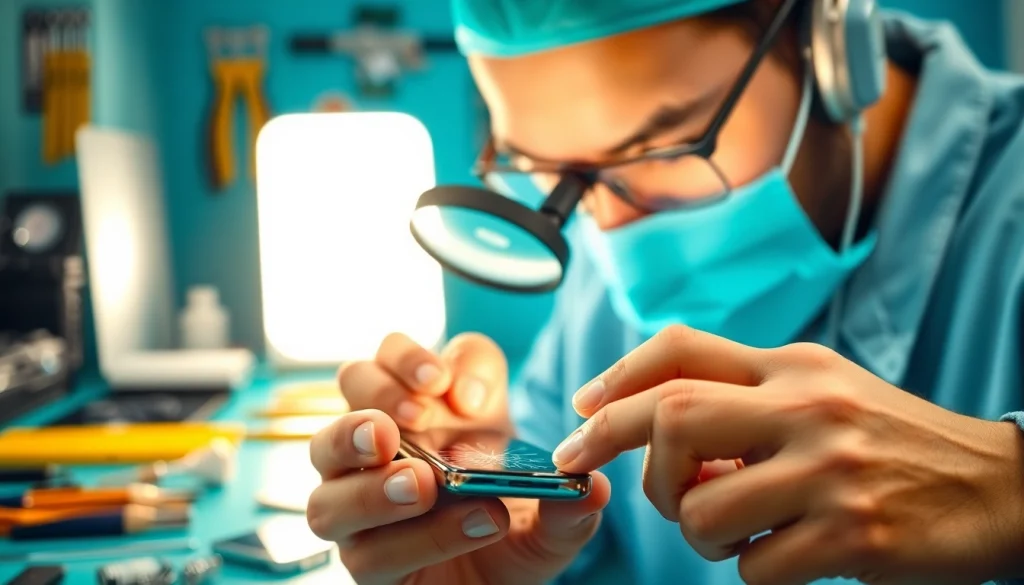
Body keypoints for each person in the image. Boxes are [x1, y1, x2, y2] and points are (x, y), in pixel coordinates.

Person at [305, 0, 1024, 583]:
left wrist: (1008, 493)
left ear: (836, 54)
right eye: (557, 175)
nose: (615, 230)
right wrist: (490, 544)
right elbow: (569, 524)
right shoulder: (603, 269)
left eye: (664, 148)